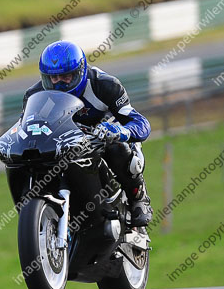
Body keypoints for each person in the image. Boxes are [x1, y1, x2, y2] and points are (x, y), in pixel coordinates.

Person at [14, 40, 152, 226]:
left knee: (118, 149)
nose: (59, 83)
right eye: (53, 78)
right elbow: (26, 127)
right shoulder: (35, 95)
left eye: (66, 76)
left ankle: (138, 197)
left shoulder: (104, 85)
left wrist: (121, 131)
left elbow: (141, 123)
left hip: (102, 139)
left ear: (80, 71)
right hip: (64, 145)